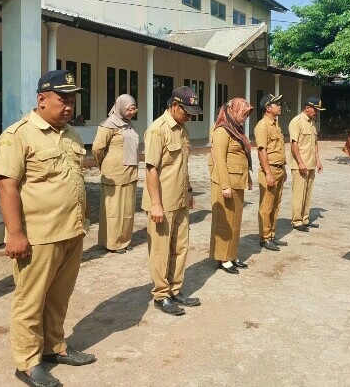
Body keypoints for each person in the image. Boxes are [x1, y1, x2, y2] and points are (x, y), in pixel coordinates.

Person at [0, 70, 95, 387]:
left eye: (72, 100)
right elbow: (6, 186)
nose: (69, 106)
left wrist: (84, 220)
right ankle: (27, 363)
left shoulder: (72, 136)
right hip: (38, 236)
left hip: (70, 232)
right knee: (30, 301)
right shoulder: (18, 135)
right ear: (42, 99)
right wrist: (15, 233)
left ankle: (54, 347)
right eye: (62, 99)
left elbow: (75, 180)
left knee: (59, 297)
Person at [142, 86, 202, 316]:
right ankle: (161, 295)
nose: (189, 117)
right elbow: (151, 169)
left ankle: (176, 290)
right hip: (162, 202)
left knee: (180, 247)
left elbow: (182, 166)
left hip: (179, 199)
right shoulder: (158, 130)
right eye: (186, 111)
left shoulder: (182, 129)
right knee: (160, 251)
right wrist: (156, 204)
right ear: (174, 106)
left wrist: (188, 191)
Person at [208, 98, 253, 274]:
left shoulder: (236, 130)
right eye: (243, 113)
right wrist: (225, 186)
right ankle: (223, 258)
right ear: (232, 111)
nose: (245, 117)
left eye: (247, 114)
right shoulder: (222, 131)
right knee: (224, 222)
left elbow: (242, 156)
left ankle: (232, 254)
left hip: (238, 182)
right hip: (225, 184)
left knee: (235, 222)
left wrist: (247, 177)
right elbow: (219, 160)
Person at [92, 94, 139, 254]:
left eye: (134, 109)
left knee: (127, 210)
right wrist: (102, 164)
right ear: (120, 107)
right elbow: (97, 148)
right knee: (113, 210)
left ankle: (124, 240)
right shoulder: (108, 125)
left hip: (130, 172)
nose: (132, 112)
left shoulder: (129, 125)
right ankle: (112, 243)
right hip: (114, 174)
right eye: (129, 109)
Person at [255, 94, 288, 251]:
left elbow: (279, 149)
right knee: (266, 206)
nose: (279, 106)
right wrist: (268, 173)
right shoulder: (262, 126)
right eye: (276, 104)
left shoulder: (276, 125)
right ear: (268, 108)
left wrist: (284, 168)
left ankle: (272, 235)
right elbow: (262, 151)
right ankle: (265, 237)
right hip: (270, 170)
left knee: (276, 204)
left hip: (279, 168)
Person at [288, 96, 325, 232]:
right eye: (315, 109)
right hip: (300, 164)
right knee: (299, 193)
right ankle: (296, 221)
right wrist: (300, 162)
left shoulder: (311, 122)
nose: (316, 112)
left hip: (310, 163)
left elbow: (314, 143)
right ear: (307, 108)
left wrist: (318, 161)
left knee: (308, 193)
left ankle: (305, 219)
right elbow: (294, 144)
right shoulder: (296, 122)